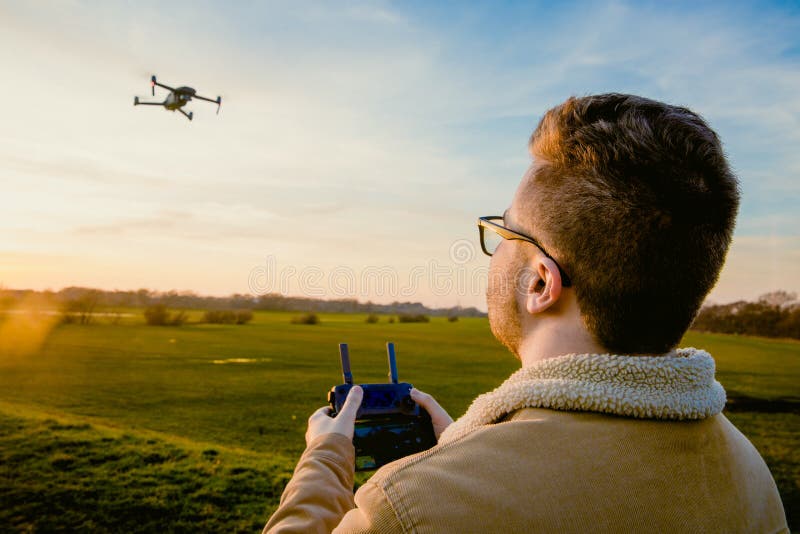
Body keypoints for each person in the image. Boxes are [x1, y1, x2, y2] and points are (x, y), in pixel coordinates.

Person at [264, 94, 788, 533]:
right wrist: (467, 447)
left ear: (541, 281)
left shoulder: (413, 510)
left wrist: (325, 459)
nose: (495, 250)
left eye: (504, 232)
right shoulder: (749, 472)